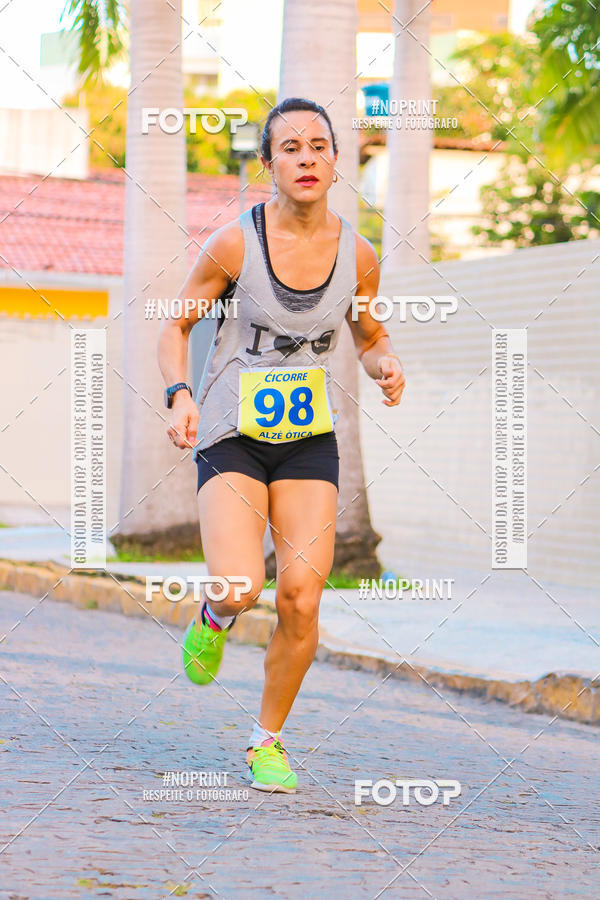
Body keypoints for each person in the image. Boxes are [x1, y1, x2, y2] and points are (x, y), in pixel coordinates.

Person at [158, 97, 405, 794]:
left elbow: (369, 334)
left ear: (336, 162)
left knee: (300, 596)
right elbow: (175, 326)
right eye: (290, 147)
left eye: (318, 146)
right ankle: (215, 615)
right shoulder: (235, 244)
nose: (306, 158)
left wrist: (386, 364)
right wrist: (179, 394)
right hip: (232, 433)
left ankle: (266, 741)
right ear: (268, 164)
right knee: (241, 585)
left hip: (306, 440)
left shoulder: (358, 254)